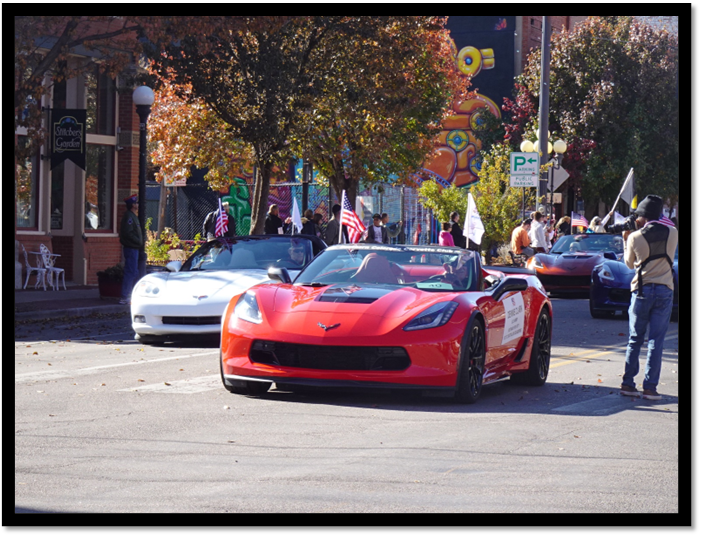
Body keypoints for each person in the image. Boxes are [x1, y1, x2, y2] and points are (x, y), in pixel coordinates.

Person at [620, 195, 678, 401]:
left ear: (643, 217)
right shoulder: (673, 233)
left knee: (635, 338)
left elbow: (628, 264)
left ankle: (628, 383)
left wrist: (626, 239)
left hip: (642, 290)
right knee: (656, 340)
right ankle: (650, 388)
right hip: (664, 289)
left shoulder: (635, 237)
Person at [119, 194, 143, 305]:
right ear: (133, 205)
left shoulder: (133, 216)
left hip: (134, 248)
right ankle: (125, 296)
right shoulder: (129, 217)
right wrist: (138, 241)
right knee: (130, 271)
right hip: (131, 247)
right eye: (136, 203)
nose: (137, 204)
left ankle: (129, 294)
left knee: (134, 271)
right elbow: (128, 233)